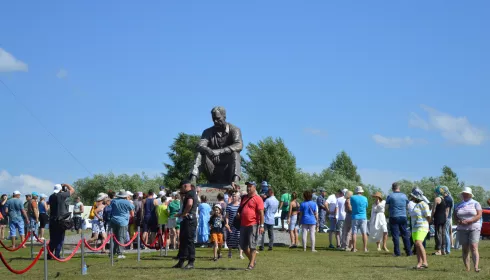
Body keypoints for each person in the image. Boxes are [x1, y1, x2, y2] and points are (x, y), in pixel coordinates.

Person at [189, 106, 244, 185]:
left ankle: (235, 181)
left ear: (224, 117)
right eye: (213, 119)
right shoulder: (207, 132)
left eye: (218, 118)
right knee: (200, 153)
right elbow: (199, 145)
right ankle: (192, 180)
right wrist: (207, 150)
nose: (215, 121)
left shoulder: (234, 129)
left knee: (235, 154)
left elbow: (239, 145)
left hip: (228, 170)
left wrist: (219, 151)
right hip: (212, 169)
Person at [237, 181, 264, 270]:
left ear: (254, 188)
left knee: (252, 245)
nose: (248, 188)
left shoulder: (258, 198)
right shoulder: (244, 198)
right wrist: (239, 214)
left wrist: (262, 225)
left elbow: (261, 213)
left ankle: (251, 264)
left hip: (253, 224)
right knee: (243, 246)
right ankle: (253, 260)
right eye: (247, 186)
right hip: (243, 224)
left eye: (250, 186)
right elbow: (241, 209)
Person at [454, 187, 482, 272]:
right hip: (462, 228)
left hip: (474, 227)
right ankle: (467, 268)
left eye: (467, 194)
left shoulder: (476, 203)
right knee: (465, 248)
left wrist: (470, 221)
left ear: (470, 195)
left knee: (473, 246)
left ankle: (476, 267)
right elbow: (455, 216)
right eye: (464, 194)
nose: (465, 195)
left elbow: (479, 215)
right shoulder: (458, 205)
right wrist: (459, 221)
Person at [173, 180, 198, 269]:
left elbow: (190, 204)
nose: (180, 189)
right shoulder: (190, 193)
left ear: (185, 186)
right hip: (187, 220)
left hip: (189, 220)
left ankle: (191, 262)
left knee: (189, 241)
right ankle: (181, 261)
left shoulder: (190, 193)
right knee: (183, 241)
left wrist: (183, 213)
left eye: (181, 187)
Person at [48, 183, 75, 258]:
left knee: (52, 238)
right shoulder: (62, 195)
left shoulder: (51, 197)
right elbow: (72, 190)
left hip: (52, 219)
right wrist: (66, 184)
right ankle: (57, 255)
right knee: (60, 238)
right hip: (60, 220)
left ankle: (49, 254)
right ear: (60, 189)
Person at [386, 182, 412, 256]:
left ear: (392, 188)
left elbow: (386, 207)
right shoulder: (404, 196)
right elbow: (408, 206)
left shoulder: (390, 196)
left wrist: (388, 213)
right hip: (403, 216)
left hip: (393, 216)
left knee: (395, 235)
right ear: (399, 188)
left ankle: (397, 252)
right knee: (405, 234)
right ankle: (409, 252)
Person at [409, 188, 431, 270]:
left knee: (418, 243)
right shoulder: (416, 205)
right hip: (415, 227)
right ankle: (419, 263)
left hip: (422, 226)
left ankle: (425, 262)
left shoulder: (423, 204)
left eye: (413, 196)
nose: (412, 198)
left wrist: (428, 226)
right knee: (417, 245)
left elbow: (428, 216)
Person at [110, 190, 135, 259]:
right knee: (121, 237)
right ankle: (120, 253)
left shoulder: (114, 201)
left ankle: (113, 251)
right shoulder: (127, 202)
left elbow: (110, 208)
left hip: (113, 220)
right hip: (123, 221)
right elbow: (132, 209)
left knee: (114, 237)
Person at [225, 191, 243, 259]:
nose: (233, 197)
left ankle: (240, 254)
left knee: (239, 238)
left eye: (235, 196)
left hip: (238, 225)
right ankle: (230, 252)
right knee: (230, 239)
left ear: (238, 197)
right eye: (233, 196)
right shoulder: (229, 206)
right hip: (231, 225)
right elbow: (227, 216)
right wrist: (227, 224)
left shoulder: (240, 206)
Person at [350, 186, 368, 252]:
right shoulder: (365, 198)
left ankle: (354, 248)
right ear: (361, 192)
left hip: (354, 217)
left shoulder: (352, 197)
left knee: (354, 233)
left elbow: (351, 205)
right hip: (363, 217)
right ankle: (365, 248)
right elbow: (366, 206)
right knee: (364, 233)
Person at [432, 186, 447, 255]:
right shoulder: (443, 199)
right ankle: (443, 250)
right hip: (444, 218)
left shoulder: (437, 199)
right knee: (443, 234)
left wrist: (431, 217)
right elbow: (446, 210)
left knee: (438, 234)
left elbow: (434, 210)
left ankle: (438, 250)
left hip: (438, 218)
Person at [441, 186, 454, 255]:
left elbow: (447, 209)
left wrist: (445, 218)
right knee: (446, 233)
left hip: (447, 218)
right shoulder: (448, 198)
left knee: (446, 233)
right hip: (448, 217)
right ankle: (447, 249)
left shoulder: (447, 199)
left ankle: (447, 249)